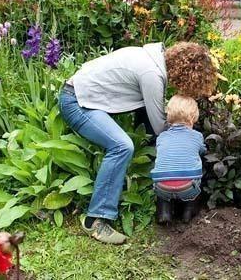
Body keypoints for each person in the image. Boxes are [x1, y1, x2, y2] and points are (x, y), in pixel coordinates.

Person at [59, 42, 216, 244]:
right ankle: (96, 220)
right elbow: (160, 127)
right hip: (76, 102)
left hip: (82, 95)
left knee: (148, 114)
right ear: (187, 74)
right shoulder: (152, 74)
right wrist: (185, 138)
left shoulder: (152, 58)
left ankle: (157, 184)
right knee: (122, 146)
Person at [150, 95, 206, 225]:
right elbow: (203, 151)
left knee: (165, 175)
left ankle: (164, 213)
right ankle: (188, 211)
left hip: (161, 187)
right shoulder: (197, 136)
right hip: (188, 187)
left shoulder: (162, 136)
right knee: (197, 171)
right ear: (193, 117)